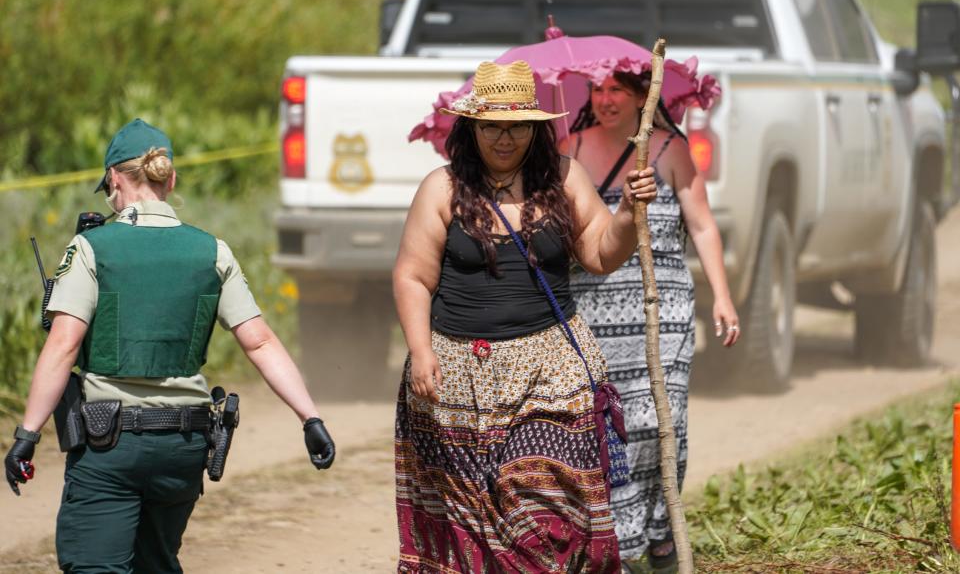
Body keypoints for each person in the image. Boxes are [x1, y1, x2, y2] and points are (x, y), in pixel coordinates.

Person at [3, 118, 336, 573]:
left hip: (109, 446)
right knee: (157, 564)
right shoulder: (212, 251)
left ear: (115, 180)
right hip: (183, 446)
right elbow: (259, 341)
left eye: (107, 188)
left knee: (95, 566)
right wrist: (310, 417)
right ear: (170, 178)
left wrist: (26, 435)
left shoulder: (92, 248)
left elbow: (63, 346)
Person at [392, 60, 658, 573]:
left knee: (543, 497)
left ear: (537, 128)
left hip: (552, 368)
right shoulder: (441, 188)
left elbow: (602, 254)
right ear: (471, 129)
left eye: (517, 125)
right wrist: (421, 352)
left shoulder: (563, 176)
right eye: (493, 125)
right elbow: (412, 277)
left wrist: (627, 212)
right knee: (477, 519)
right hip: (460, 375)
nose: (505, 138)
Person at [559, 72, 740, 570]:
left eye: (617, 90)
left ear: (644, 97)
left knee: (662, 421)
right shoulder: (568, 147)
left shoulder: (670, 150)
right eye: (597, 90)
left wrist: (721, 297)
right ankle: (612, 538)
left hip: (662, 307)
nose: (605, 99)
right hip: (591, 307)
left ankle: (659, 531)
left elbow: (702, 226)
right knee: (605, 424)